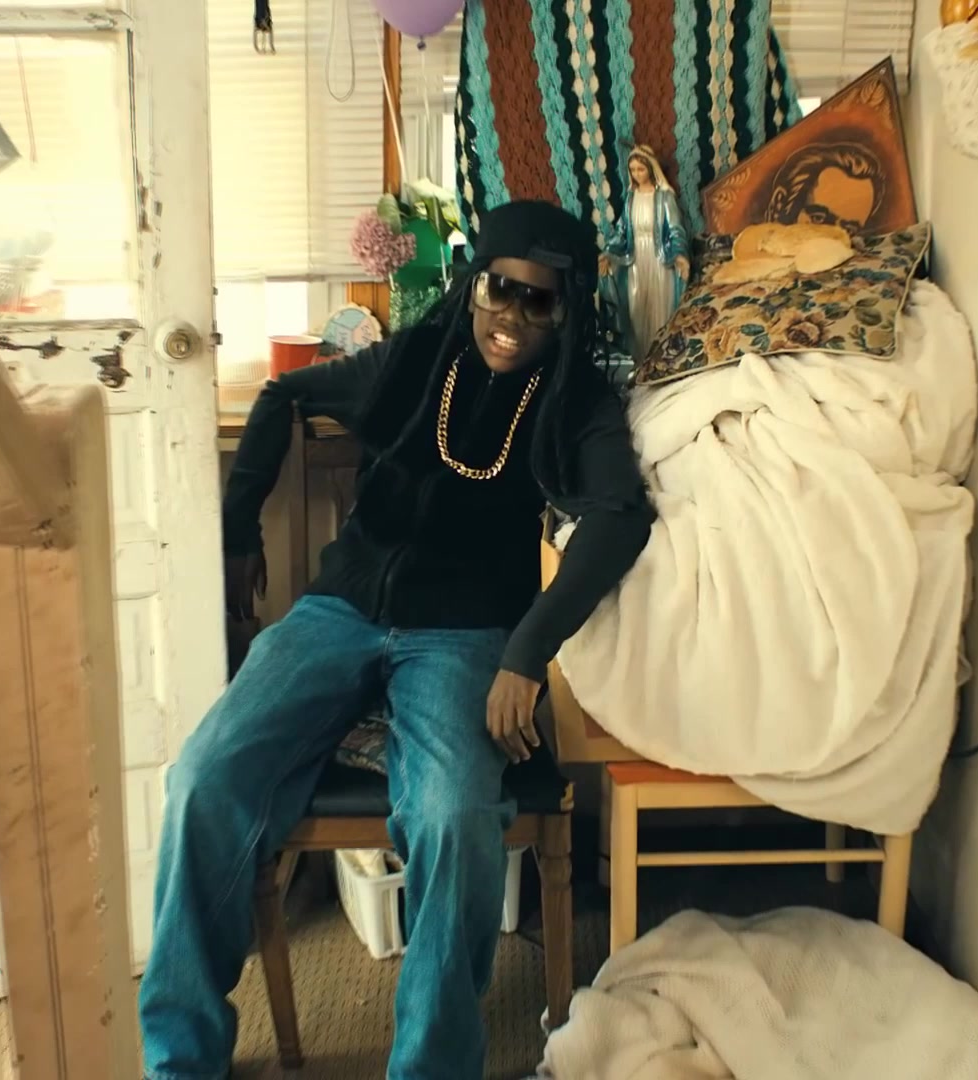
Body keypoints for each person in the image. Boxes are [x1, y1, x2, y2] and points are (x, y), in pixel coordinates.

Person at [138, 200, 655, 1079]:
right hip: (338, 610)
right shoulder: (415, 360)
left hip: (466, 633)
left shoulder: (577, 400)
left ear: (566, 309)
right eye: (500, 289)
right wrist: (237, 531)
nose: (512, 315)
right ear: (474, 282)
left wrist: (526, 652)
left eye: (540, 300)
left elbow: (621, 518)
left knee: (453, 816)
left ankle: (432, 1067)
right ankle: (180, 1061)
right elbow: (285, 394)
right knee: (201, 781)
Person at [601, 145, 691, 358]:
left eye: (640, 169)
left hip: (659, 260)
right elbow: (622, 230)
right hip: (636, 261)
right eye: (632, 170)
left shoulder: (664, 198)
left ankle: (662, 355)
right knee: (637, 308)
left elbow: (676, 229)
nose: (637, 174)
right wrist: (608, 252)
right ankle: (640, 357)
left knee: (659, 309)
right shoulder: (631, 198)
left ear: (650, 168)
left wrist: (679, 254)